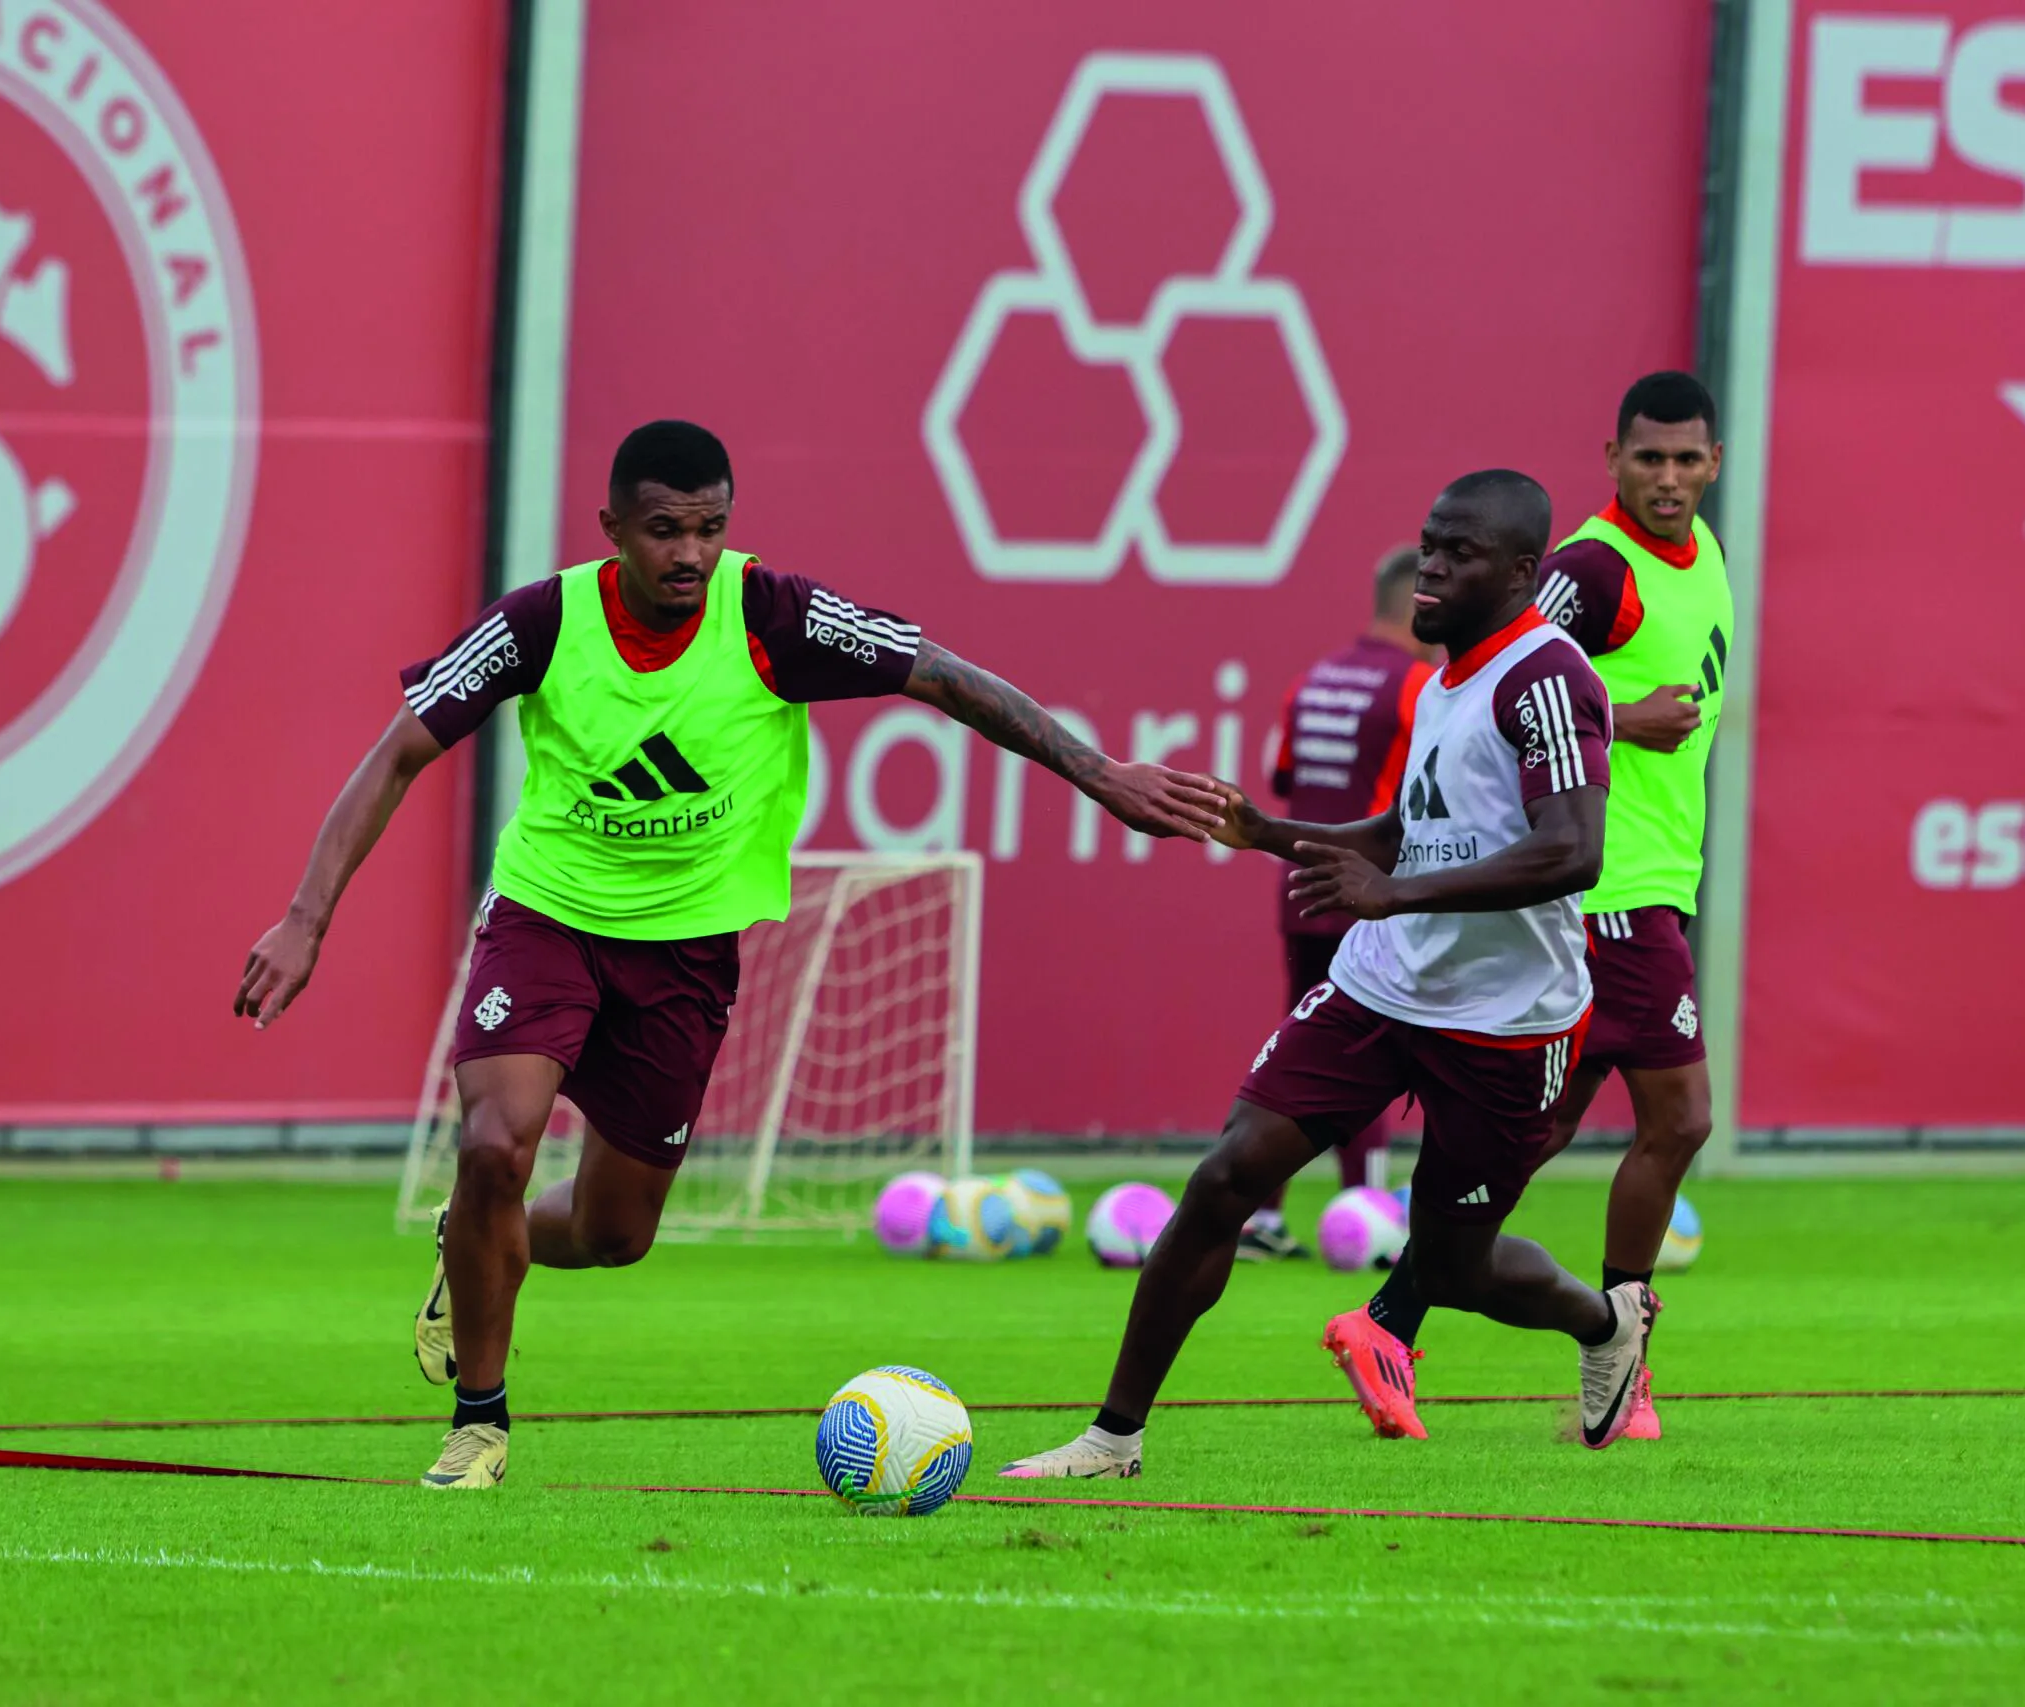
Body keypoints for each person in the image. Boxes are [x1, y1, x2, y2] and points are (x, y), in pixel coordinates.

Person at [235, 421, 1227, 1489]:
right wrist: (306, 918)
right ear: (612, 528)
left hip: (685, 956)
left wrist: (1098, 774)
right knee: (494, 1142)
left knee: (617, 1232)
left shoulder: (773, 616)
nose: (690, 554)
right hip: (547, 922)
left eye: (710, 528)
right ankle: (480, 1423)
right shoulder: (540, 622)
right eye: (665, 531)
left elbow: (942, 678)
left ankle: (472, 1239)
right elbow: (398, 754)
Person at [1001, 470, 1654, 1479]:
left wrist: (1395, 895)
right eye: (1428, 544)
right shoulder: (1442, 681)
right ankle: (1111, 1440)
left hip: (1508, 1020)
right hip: (1379, 987)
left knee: (1452, 1264)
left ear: (1524, 571)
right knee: (1227, 1177)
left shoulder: (1547, 678)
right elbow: (1403, 833)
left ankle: (1603, 1321)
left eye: (1460, 552)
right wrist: (1268, 834)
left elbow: (1574, 852)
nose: (1431, 565)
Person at [1357, 372, 1728, 1443]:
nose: (1666, 478)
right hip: (1604, 894)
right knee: (1680, 1120)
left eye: (1685, 459)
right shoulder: (1592, 566)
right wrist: (1623, 712)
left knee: (1531, 1136)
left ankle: (1389, 1321)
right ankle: (1623, 1357)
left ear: (1713, 463)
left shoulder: (1701, 559)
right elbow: (1499, 663)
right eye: (1646, 458)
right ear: (1610, 459)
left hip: (1652, 882)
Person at [1236, 547, 1435, 1261]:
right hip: (1370, 891)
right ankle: (1373, 1217)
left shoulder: (1313, 679)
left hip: (1300, 886)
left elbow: (1284, 776)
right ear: (1419, 601)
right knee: (1374, 1047)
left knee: (1299, 1042)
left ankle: (1261, 1214)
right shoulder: (1418, 685)